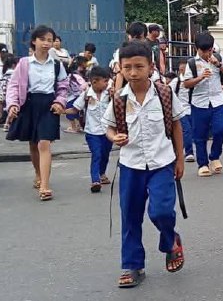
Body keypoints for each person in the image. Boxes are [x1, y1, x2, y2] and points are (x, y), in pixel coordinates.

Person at [102, 40, 186, 288]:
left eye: (139, 66)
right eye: (127, 67)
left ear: (151, 67)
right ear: (120, 68)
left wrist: (180, 158)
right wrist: (113, 137)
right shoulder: (118, 98)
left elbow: (177, 124)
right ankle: (132, 265)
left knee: (161, 211)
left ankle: (170, 240)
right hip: (131, 166)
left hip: (162, 163)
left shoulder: (165, 93)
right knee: (130, 217)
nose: (133, 72)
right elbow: (108, 127)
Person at [5, 25, 69, 201]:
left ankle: (45, 186)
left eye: (50, 40)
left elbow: (63, 87)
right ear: (34, 41)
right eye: (43, 39)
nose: (47, 43)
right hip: (29, 104)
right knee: (33, 144)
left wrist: (59, 102)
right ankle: (38, 173)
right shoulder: (24, 63)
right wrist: (12, 105)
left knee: (44, 143)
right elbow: (14, 85)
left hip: (49, 105)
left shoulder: (57, 65)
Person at [183, 33, 223, 177]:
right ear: (197, 49)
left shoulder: (218, 57)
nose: (207, 53)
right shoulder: (192, 63)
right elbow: (186, 83)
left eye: (209, 50)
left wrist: (218, 64)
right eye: (203, 51)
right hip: (199, 102)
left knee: (220, 130)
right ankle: (203, 164)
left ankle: (214, 156)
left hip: (217, 100)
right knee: (200, 135)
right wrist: (200, 78)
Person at [66, 66, 113, 192]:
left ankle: (102, 173)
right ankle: (95, 180)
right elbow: (75, 109)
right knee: (96, 154)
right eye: (105, 81)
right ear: (94, 81)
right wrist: (62, 111)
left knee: (105, 154)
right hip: (92, 132)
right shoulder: (86, 95)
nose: (107, 84)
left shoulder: (109, 94)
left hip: (108, 132)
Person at [168, 60, 195, 162]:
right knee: (186, 130)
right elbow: (167, 91)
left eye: (184, 69)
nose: (182, 71)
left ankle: (178, 150)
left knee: (192, 131)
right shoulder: (177, 81)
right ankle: (189, 153)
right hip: (181, 110)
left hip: (193, 109)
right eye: (180, 69)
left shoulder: (193, 80)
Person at [64, 56, 88, 134]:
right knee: (77, 112)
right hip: (77, 95)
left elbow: (83, 86)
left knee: (71, 112)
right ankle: (77, 126)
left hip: (74, 96)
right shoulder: (77, 75)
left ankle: (74, 127)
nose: (86, 65)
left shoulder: (74, 75)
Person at [0, 53, 16, 128]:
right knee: (10, 107)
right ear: (14, 65)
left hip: (1, 91)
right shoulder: (13, 75)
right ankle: (7, 122)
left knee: (3, 105)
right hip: (9, 93)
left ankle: (2, 119)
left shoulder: (4, 73)